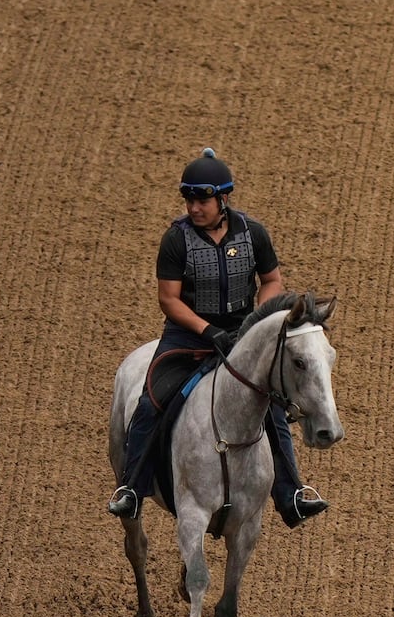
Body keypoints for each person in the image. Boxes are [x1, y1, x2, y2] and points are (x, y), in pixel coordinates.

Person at [107, 150, 327, 525]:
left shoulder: (253, 233)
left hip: (241, 335)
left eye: (202, 201)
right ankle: (132, 488)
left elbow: (271, 280)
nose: (194, 208)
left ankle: (291, 493)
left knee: (272, 407)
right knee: (152, 401)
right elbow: (169, 299)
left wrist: (255, 323)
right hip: (188, 337)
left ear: (223, 199)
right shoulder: (176, 240)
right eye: (189, 200)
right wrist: (208, 331)